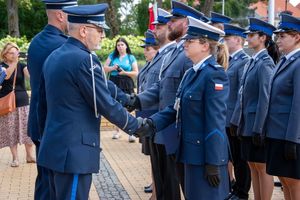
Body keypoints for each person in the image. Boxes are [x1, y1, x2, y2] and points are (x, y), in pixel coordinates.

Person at [36, 4, 147, 199]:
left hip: (54, 148)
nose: (103, 35)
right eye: (99, 30)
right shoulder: (85, 59)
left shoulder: (54, 56)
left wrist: (129, 99)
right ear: (84, 30)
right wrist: (135, 125)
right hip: (74, 153)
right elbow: (104, 103)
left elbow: (41, 106)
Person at [138, 16, 229, 200]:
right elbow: (175, 108)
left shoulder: (214, 75)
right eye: (186, 40)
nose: (185, 44)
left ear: (205, 46)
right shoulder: (191, 74)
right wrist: (151, 124)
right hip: (189, 153)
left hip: (205, 157)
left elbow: (216, 122)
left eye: (190, 40)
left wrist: (213, 161)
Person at [127, 1, 207, 198]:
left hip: (178, 131)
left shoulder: (188, 55)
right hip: (164, 127)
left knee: (178, 185)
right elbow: (162, 88)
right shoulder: (175, 53)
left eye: (173, 20)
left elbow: (192, 100)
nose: (169, 24)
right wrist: (134, 101)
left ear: (186, 23)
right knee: (163, 184)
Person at [27, 0, 78, 199]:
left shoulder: (36, 41)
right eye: (71, 14)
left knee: (45, 183)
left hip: (39, 124)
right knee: (57, 188)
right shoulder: (63, 45)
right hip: (55, 126)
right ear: (60, 15)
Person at [230, 18, 280, 200]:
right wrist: (236, 121)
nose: (248, 38)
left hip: (256, 125)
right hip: (246, 124)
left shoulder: (265, 62)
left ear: (263, 38)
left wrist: (259, 128)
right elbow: (242, 96)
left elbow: (265, 99)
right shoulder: (253, 61)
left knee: (262, 167)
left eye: (251, 35)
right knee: (252, 165)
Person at [265, 13, 300, 200]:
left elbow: (297, 105)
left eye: (283, 36)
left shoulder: (298, 63)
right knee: (285, 182)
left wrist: (292, 139)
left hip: (289, 135)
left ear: (297, 37)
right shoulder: (284, 61)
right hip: (276, 133)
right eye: (278, 36)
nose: (278, 40)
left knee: (294, 183)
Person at [223, 24, 251, 200]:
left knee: (240, 160)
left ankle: (242, 192)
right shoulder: (230, 60)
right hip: (226, 117)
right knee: (230, 156)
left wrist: (236, 119)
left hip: (236, 118)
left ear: (238, 40)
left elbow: (242, 93)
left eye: (228, 38)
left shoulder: (244, 61)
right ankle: (234, 188)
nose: (224, 41)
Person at [0, 42, 35, 167]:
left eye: (16, 52)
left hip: (23, 101)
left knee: (27, 129)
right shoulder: (2, 66)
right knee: (11, 131)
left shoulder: (22, 65)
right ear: (5, 54)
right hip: (8, 103)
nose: (15, 55)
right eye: (11, 52)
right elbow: (6, 76)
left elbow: (31, 77)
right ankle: (15, 158)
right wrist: (14, 62)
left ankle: (30, 155)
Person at [138, 29, 160, 198]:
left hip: (154, 112)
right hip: (146, 112)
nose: (145, 51)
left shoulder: (159, 64)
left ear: (156, 48)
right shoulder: (148, 64)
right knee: (151, 154)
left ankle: (156, 188)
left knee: (156, 154)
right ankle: (154, 183)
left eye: (148, 48)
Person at [104, 37, 139, 142]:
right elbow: (104, 68)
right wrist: (112, 68)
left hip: (127, 82)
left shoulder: (131, 57)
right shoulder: (112, 56)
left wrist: (124, 72)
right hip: (114, 81)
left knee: (130, 106)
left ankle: (132, 132)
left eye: (122, 45)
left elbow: (136, 72)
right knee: (116, 106)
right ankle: (117, 131)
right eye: (118, 45)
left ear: (126, 46)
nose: (120, 47)